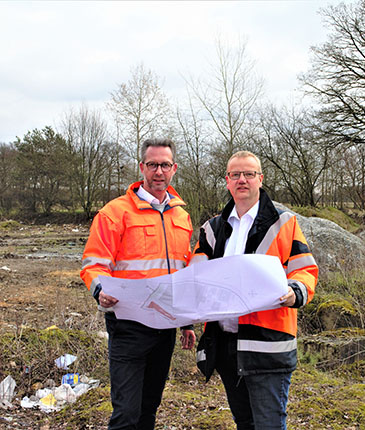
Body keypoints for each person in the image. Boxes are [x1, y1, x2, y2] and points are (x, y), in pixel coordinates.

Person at [192, 150, 318, 430]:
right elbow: (196, 275)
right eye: (235, 174)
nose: (242, 180)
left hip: (267, 345)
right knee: (244, 423)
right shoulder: (213, 228)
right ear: (226, 181)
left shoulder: (285, 223)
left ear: (260, 179)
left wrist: (294, 291)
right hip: (225, 345)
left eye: (249, 174)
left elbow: (305, 270)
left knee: (268, 425)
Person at [80, 138, 196, 430]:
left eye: (165, 165)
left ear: (174, 169)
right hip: (128, 325)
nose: (159, 171)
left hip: (166, 325)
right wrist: (99, 290)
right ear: (142, 167)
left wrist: (188, 323)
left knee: (148, 410)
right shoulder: (115, 213)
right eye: (153, 164)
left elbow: (186, 271)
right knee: (126, 414)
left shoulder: (182, 216)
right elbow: (93, 264)